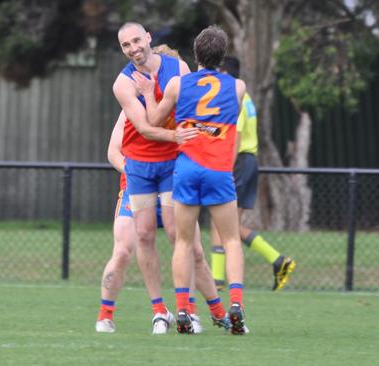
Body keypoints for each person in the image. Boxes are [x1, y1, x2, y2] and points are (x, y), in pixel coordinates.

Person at [111, 28, 228, 335]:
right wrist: (176, 133)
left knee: (184, 240)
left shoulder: (178, 68)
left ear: (148, 37)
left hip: (173, 164)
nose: (133, 48)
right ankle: (159, 311)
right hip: (139, 166)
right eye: (126, 45)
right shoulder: (123, 84)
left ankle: (194, 310)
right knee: (145, 236)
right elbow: (146, 128)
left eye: (136, 41)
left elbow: (190, 113)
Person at [133, 25, 248, 335]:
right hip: (218, 169)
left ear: (195, 53)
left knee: (183, 242)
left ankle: (183, 310)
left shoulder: (177, 84)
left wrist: (146, 93)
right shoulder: (237, 87)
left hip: (186, 168)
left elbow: (154, 120)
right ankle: (235, 305)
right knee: (232, 239)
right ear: (222, 55)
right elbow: (230, 120)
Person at [211, 56, 297, 292]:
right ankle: (278, 261)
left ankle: (217, 282)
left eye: (218, 73)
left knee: (220, 222)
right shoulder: (246, 97)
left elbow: (235, 136)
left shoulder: (233, 97)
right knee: (229, 225)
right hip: (248, 161)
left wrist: (225, 169)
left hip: (237, 161)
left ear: (225, 74)